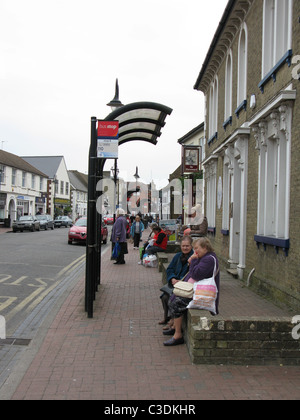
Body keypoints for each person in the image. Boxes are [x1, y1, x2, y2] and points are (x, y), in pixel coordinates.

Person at [163, 237, 220, 346]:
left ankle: (178, 335)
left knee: (176, 303)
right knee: (172, 296)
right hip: (196, 290)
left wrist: (192, 261)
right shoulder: (204, 257)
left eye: (196, 248)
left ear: (205, 248)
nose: (195, 251)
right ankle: (175, 327)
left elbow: (196, 274)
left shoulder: (209, 259)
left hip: (202, 294)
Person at [159, 236, 194, 325]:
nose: (185, 248)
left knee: (171, 298)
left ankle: (172, 320)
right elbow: (169, 269)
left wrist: (181, 282)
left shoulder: (193, 258)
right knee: (164, 297)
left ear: (191, 246)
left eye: (187, 246)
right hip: (174, 283)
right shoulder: (178, 256)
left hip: (185, 285)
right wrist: (172, 278)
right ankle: (166, 316)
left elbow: (192, 274)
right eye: (183, 246)